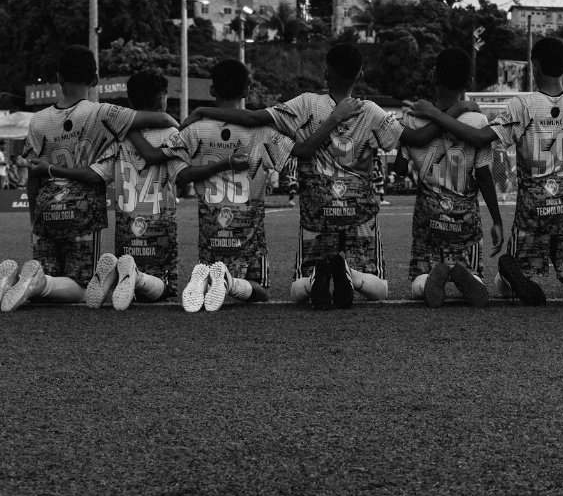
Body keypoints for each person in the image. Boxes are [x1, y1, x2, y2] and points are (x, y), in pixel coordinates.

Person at [181, 44, 441, 310]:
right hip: (360, 215)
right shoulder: (370, 111)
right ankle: (353, 275)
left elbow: (251, 118)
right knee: (380, 290)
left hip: (317, 215)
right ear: (360, 74)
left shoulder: (305, 104)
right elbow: (418, 138)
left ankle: (316, 275)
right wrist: (441, 113)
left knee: (298, 292)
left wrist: (205, 111)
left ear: (325, 73)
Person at [408, 37, 563, 307]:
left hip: (533, 209)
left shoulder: (521, 106)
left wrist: (437, 114)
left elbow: (478, 138)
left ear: (534, 67)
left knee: (507, 279)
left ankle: (517, 278)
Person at [0, 45, 177, 312]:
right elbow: (161, 117)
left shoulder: (37, 120)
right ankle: (38, 283)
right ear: (94, 80)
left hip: (47, 209)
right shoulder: (103, 113)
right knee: (82, 287)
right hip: (82, 213)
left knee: (47, 276)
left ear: (59, 78)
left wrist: (33, 219)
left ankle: (13, 279)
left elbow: (32, 174)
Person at [163, 60, 292, 313]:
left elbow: (179, 176)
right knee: (260, 291)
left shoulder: (193, 129)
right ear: (247, 90)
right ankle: (229, 282)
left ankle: (215, 280)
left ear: (212, 91)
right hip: (249, 235)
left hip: (211, 232)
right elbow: (295, 155)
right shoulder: (262, 130)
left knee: (209, 275)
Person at [394, 47, 504, 308]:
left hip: (428, 216)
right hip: (465, 216)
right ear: (469, 82)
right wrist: (497, 220)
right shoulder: (477, 119)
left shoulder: (413, 118)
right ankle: (469, 278)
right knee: (474, 274)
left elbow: (399, 167)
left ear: (434, 76)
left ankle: (430, 280)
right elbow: (484, 175)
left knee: (418, 282)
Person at [84, 70, 183, 310]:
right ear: (162, 99)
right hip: (159, 227)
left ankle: (113, 277)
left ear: (130, 102)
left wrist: (51, 170)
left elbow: (98, 174)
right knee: (164, 289)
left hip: (126, 229)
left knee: (129, 283)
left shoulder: (117, 138)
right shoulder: (172, 134)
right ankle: (135, 276)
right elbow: (181, 173)